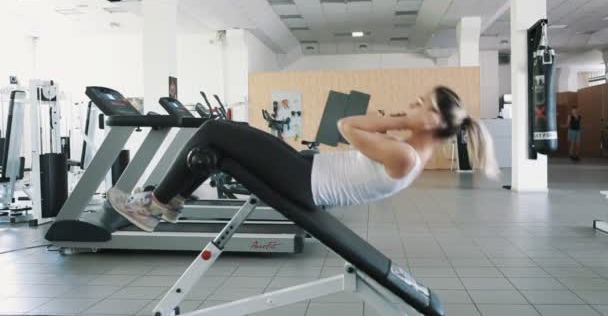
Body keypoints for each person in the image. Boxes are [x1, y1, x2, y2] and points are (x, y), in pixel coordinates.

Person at [108, 86, 499, 232]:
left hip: (303, 181)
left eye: (423, 104)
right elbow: (358, 130)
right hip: (306, 170)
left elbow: (346, 125)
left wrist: (398, 119)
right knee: (217, 139)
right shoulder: (408, 153)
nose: (413, 102)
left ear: (432, 121)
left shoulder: (406, 157)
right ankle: (165, 202)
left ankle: (155, 206)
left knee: (213, 132)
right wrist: (399, 120)